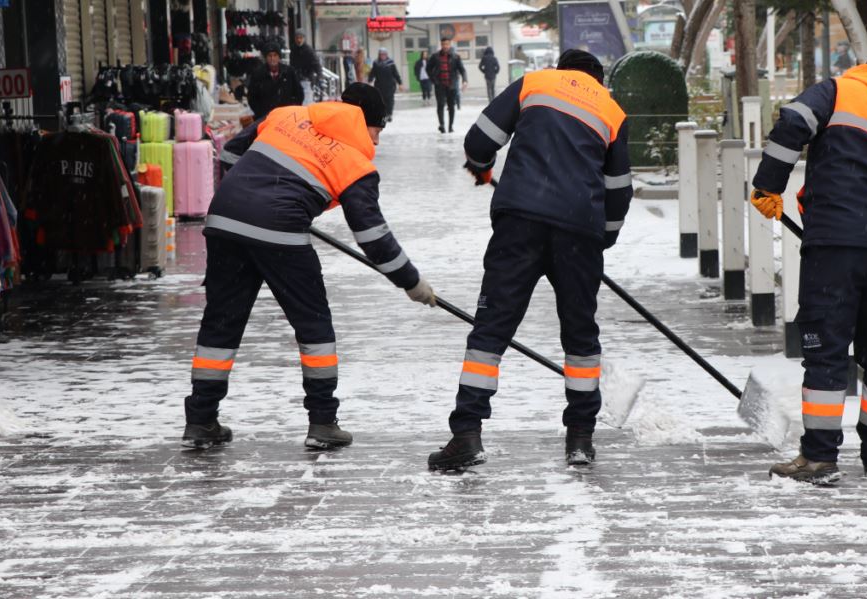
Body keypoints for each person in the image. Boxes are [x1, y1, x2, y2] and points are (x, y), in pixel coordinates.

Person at [182, 83, 437, 451]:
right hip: (279, 228)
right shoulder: (354, 163)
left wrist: (253, 194)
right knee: (313, 325)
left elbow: (231, 154)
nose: (377, 143)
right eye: (378, 130)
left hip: (224, 219)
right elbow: (372, 236)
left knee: (221, 321)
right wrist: (411, 282)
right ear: (365, 122)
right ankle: (322, 421)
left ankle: (201, 419)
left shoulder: (287, 115)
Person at [426, 49, 632, 471]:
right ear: (598, 79)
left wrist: (482, 168)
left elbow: (479, 141)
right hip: (579, 228)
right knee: (579, 337)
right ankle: (580, 438)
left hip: (519, 221)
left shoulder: (535, 83)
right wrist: (601, 241)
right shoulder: (612, 111)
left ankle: (466, 433)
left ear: (563, 70)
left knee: (491, 330)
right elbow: (619, 191)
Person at [748, 50, 867, 485]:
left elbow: (793, 123)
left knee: (826, 347)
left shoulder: (841, 91)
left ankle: (819, 458)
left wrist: (767, 184)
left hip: (835, 242)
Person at [246, 46, 303, 119]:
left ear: (279, 57)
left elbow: (299, 93)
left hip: (287, 116)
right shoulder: (258, 74)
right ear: (266, 58)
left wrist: (293, 110)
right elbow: (252, 97)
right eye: (270, 56)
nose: (272, 58)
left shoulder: (289, 72)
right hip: (265, 117)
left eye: (275, 55)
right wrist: (260, 113)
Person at [425, 37, 468, 133]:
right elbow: (428, 68)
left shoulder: (455, 57)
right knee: (440, 105)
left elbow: (462, 70)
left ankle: (450, 126)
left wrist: (464, 80)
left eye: (447, 44)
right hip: (439, 85)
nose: (445, 46)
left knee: (451, 106)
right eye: (443, 44)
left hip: (451, 85)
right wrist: (433, 80)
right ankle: (442, 125)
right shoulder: (435, 56)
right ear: (441, 45)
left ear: (450, 45)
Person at [368, 47, 403, 122]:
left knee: (390, 101)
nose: (383, 56)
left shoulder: (391, 62)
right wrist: (370, 81)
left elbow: (395, 74)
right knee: (381, 101)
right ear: (379, 55)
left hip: (390, 86)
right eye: (381, 54)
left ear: (386, 55)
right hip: (379, 86)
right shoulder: (376, 63)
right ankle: (384, 115)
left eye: (384, 54)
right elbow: (372, 73)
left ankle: (389, 114)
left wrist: (400, 83)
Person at [291, 30, 322, 104]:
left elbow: (316, 64)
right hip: (296, 79)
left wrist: (319, 76)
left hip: (307, 78)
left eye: (300, 38)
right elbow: (292, 65)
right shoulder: (293, 50)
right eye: (297, 38)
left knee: (306, 100)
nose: (299, 40)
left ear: (304, 38)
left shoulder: (309, 50)